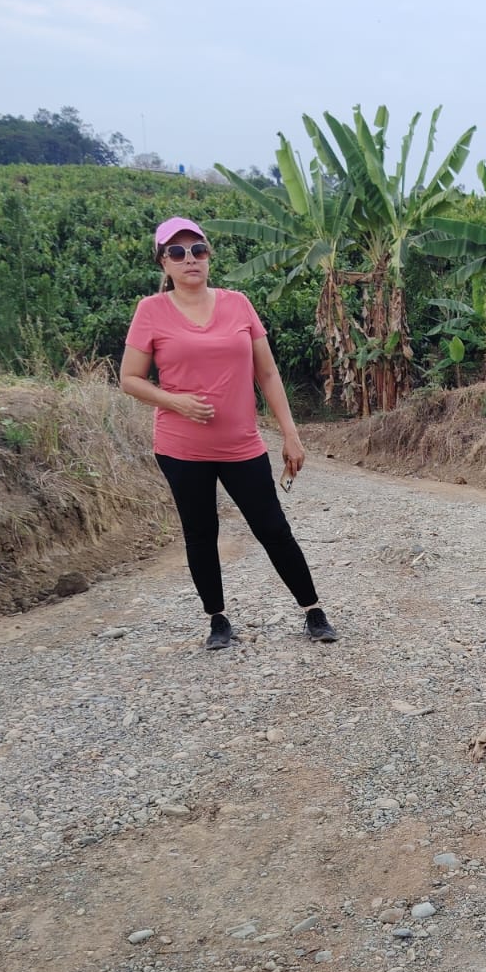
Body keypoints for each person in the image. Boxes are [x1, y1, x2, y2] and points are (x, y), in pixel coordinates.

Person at [121, 216, 338, 649]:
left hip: (242, 444)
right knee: (201, 533)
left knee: (272, 527)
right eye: (177, 252)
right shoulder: (151, 311)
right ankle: (217, 620)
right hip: (181, 448)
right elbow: (130, 378)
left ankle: (313, 611)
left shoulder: (238, 304)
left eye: (198, 250)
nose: (190, 259)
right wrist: (176, 402)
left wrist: (290, 434)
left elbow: (268, 374)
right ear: (163, 262)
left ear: (209, 256)